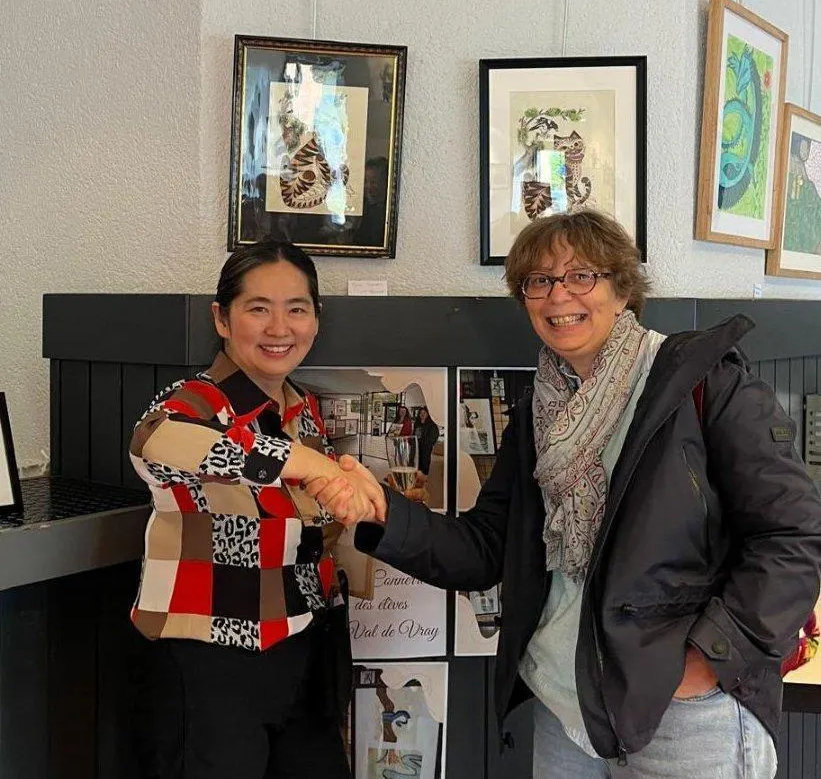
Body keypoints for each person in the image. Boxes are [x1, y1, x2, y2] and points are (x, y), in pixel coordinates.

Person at [308, 210, 821, 779]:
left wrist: (708, 660)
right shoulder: (538, 412)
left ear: (622, 288)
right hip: (565, 701)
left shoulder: (704, 383)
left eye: (582, 276)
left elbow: (793, 535)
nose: (559, 295)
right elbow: (486, 547)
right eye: (540, 280)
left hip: (684, 712)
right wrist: (383, 510)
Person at [128, 238, 385, 779]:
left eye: (297, 309)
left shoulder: (301, 407)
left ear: (316, 318)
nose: (279, 328)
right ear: (222, 319)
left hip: (302, 646)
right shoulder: (195, 401)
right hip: (212, 655)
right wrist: (307, 464)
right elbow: (154, 441)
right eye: (258, 308)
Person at [413, 406, 439, 479]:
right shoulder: (417, 423)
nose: (422, 414)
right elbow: (414, 434)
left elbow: (434, 436)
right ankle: (417, 478)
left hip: (426, 448)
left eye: (424, 413)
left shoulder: (432, 425)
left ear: (427, 414)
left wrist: (428, 443)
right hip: (417, 447)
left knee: (424, 463)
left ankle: (424, 478)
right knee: (416, 462)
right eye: (421, 413)